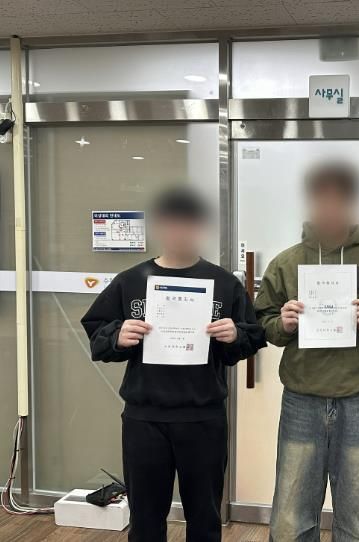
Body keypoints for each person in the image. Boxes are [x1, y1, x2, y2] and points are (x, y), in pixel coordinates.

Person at [81, 186, 266, 542]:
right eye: (171, 223)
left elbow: (252, 336)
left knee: (205, 517)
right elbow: (98, 334)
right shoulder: (131, 281)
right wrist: (117, 336)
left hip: (203, 417)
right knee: (146, 519)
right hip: (145, 418)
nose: (179, 231)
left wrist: (235, 335)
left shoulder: (223, 284)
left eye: (188, 223)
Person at [255, 161, 359, 542]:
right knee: (290, 520)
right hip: (301, 400)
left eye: (340, 200)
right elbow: (263, 321)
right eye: (322, 199)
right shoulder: (287, 262)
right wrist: (283, 323)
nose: (330, 208)